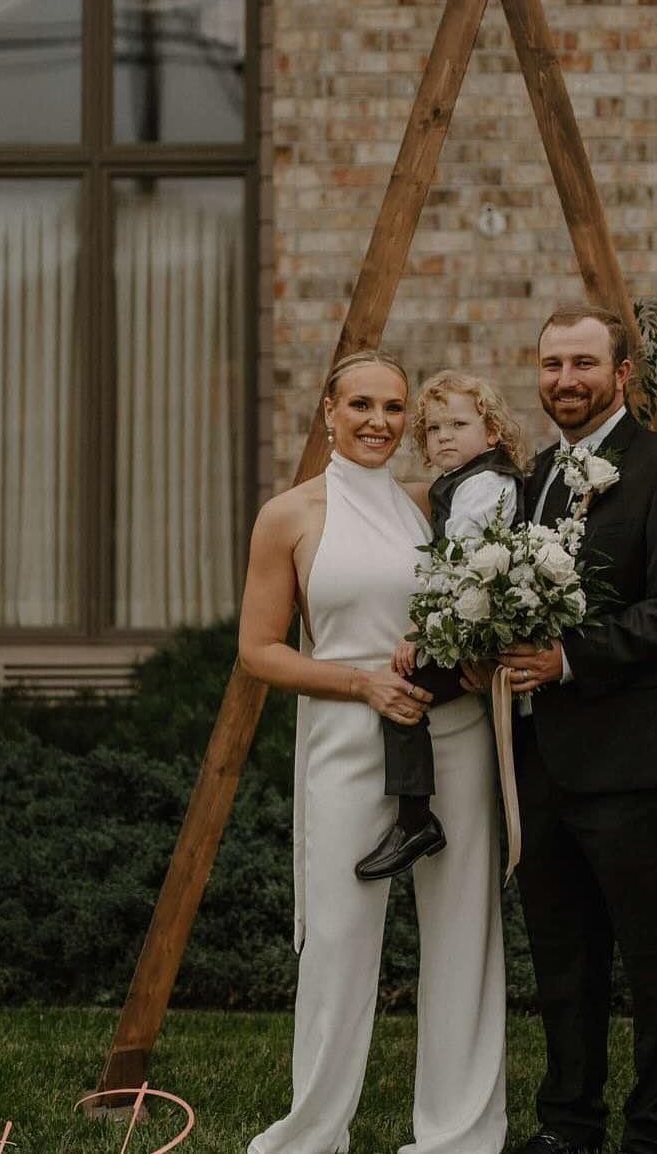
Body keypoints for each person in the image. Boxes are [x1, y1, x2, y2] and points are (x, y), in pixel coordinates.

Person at [239, 348, 507, 1154]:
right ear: (327, 411)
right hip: (346, 733)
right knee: (338, 935)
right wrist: (361, 688)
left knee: (464, 928)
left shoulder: (431, 505)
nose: (378, 423)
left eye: (394, 409)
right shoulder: (289, 515)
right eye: (361, 406)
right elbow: (258, 651)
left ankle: (458, 1134)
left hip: (450, 733)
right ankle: (313, 1133)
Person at [495, 305, 657, 1154]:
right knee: (563, 959)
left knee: (653, 959)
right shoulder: (532, 482)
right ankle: (567, 1125)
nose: (565, 381)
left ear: (621, 373)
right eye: (552, 365)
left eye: (583, 364)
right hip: (540, 760)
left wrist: (568, 658)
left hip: (634, 761)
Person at [355, 369, 528, 882]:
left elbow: (462, 568)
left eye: (458, 424)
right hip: (474, 626)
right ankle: (415, 819)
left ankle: (415, 821)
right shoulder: (467, 482)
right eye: (433, 429)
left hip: (477, 633)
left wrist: (420, 632)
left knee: (402, 696)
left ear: (492, 432)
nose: (445, 436)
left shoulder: (484, 486)